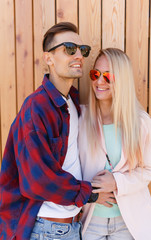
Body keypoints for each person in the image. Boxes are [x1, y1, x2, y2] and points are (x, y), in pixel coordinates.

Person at [0, 22, 99, 240]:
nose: (79, 56)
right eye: (69, 49)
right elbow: (37, 179)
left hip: (72, 226)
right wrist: (88, 193)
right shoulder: (36, 107)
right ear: (49, 58)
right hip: (48, 230)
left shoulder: (72, 100)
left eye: (82, 51)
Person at [78, 48, 151, 240]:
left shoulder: (141, 123)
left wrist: (116, 183)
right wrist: (90, 193)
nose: (99, 82)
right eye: (95, 74)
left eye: (108, 76)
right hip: (92, 222)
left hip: (128, 223)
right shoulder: (80, 119)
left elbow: (149, 170)